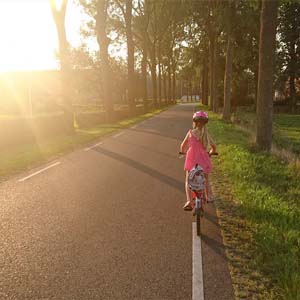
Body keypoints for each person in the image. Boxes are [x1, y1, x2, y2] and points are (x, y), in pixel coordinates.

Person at [180, 111, 217, 210]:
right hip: (204, 160)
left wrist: (182, 152)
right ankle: (208, 196)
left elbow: (182, 146)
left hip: (191, 160)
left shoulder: (190, 133)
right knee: (206, 178)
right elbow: (214, 146)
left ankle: (189, 201)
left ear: (194, 122)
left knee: (188, 180)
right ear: (205, 123)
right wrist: (211, 152)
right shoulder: (206, 134)